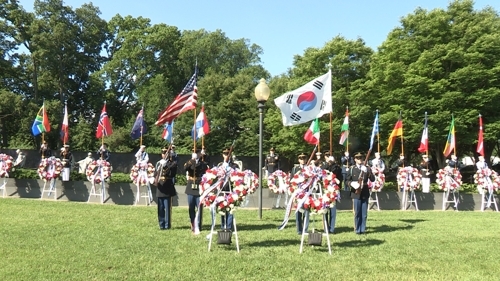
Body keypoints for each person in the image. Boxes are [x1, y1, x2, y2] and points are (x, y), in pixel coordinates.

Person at [347, 152, 375, 235]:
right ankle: (357, 229)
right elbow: (347, 180)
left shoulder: (367, 168)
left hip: (365, 191)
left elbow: (373, 179)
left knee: (364, 213)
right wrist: (352, 184)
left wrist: (368, 172)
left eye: (361, 158)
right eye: (358, 158)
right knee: (357, 212)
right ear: (355, 159)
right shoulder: (352, 169)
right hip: (356, 192)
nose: (360, 159)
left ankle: (362, 229)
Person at [184, 149, 209, 233]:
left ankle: (198, 224)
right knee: (191, 207)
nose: (195, 154)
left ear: (199, 154)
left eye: (197, 152)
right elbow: (185, 167)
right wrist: (192, 160)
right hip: (191, 186)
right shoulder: (190, 162)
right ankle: (192, 223)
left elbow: (206, 173)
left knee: (199, 207)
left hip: (199, 186)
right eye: (194, 152)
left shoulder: (203, 164)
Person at [217, 148, 240, 231]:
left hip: (231, 189)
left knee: (230, 207)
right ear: (223, 155)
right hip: (222, 189)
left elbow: (237, 176)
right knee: (222, 207)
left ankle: (229, 227)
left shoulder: (234, 166)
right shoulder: (220, 165)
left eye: (228, 154)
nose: (226, 155)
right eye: (225, 154)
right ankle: (223, 226)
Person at [156, 147, 178, 230]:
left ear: (168, 154)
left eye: (166, 153)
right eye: (163, 153)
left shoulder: (173, 163)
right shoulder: (159, 163)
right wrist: (160, 166)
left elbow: (172, 174)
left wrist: (166, 166)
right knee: (160, 208)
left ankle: (167, 225)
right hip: (160, 187)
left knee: (167, 208)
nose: (164, 154)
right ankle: (161, 224)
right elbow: (155, 174)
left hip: (168, 186)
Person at [322, 154, 342, 234]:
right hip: (326, 190)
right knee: (325, 209)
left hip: (334, 190)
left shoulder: (337, 167)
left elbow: (336, 173)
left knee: (333, 210)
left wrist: (333, 163)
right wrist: (327, 163)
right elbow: (322, 172)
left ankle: (332, 228)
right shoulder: (324, 166)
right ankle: (326, 227)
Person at [292, 153, 309, 235]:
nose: (302, 160)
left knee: (306, 210)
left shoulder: (309, 168)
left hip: (307, 192)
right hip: (298, 192)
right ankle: (299, 229)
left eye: (304, 158)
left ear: (306, 159)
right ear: (299, 160)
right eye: (301, 158)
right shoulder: (295, 168)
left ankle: (305, 229)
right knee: (298, 210)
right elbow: (292, 180)